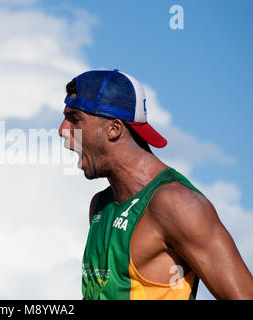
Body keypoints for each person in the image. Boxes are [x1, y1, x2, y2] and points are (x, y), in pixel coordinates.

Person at [59, 69, 253, 300]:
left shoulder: (177, 204)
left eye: (75, 119)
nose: (62, 130)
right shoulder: (100, 205)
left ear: (114, 129)